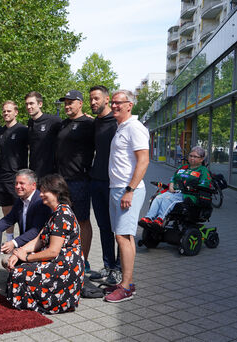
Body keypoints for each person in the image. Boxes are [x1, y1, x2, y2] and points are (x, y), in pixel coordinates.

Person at [5, 174, 84, 314]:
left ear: (56, 192)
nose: (40, 195)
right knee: (16, 266)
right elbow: (38, 240)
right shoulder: (55, 213)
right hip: (57, 261)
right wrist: (18, 253)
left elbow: (53, 251)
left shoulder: (62, 215)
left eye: (44, 191)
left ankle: (47, 302)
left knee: (19, 272)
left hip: (64, 267)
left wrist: (27, 257)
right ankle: (27, 300)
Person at [105, 90, 149, 303]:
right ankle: (127, 282)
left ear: (129, 105)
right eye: (112, 103)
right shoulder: (121, 127)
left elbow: (144, 161)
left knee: (123, 237)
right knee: (124, 236)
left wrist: (130, 190)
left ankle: (127, 286)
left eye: (118, 103)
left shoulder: (135, 128)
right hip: (118, 188)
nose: (114, 106)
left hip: (127, 189)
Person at [56, 90, 94, 271]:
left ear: (80, 103)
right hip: (62, 181)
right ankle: (66, 257)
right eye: (65, 103)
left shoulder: (89, 124)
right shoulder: (63, 124)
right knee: (64, 221)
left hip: (80, 180)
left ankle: (84, 261)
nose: (67, 106)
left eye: (71, 102)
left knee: (83, 221)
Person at [88, 85, 121, 286]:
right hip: (96, 181)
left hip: (115, 183)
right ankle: (108, 265)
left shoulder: (118, 122)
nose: (93, 102)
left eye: (97, 98)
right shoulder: (94, 124)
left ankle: (119, 269)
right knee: (103, 227)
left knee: (119, 229)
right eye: (91, 99)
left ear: (107, 99)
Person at [139, 146, 211, 229]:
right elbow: (173, 178)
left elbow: (204, 184)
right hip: (175, 192)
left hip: (190, 195)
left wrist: (192, 187)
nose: (192, 158)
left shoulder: (203, 170)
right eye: (190, 156)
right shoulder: (182, 167)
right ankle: (148, 218)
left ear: (201, 159)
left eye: (195, 157)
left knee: (168, 199)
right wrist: (172, 184)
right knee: (158, 197)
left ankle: (160, 219)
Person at [0, 169, 50, 266]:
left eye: (22, 183)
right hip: (25, 247)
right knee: (6, 262)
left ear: (33, 185)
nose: (18, 186)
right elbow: (7, 220)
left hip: (40, 248)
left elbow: (36, 231)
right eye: (16, 183)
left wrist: (13, 243)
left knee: (8, 262)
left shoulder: (41, 202)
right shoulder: (20, 201)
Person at [0, 101, 28, 241]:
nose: (6, 114)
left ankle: (23, 239)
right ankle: (9, 238)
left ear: (16, 112)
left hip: (18, 176)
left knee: (21, 209)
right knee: (6, 209)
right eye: (4, 111)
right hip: (3, 175)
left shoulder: (23, 130)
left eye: (9, 111)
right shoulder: (1, 132)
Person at [25, 91, 62, 178]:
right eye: (26, 104)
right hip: (33, 172)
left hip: (50, 174)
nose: (28, 107)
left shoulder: (54, 121)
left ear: (40, 104)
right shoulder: (30, 122)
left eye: (31, 103)